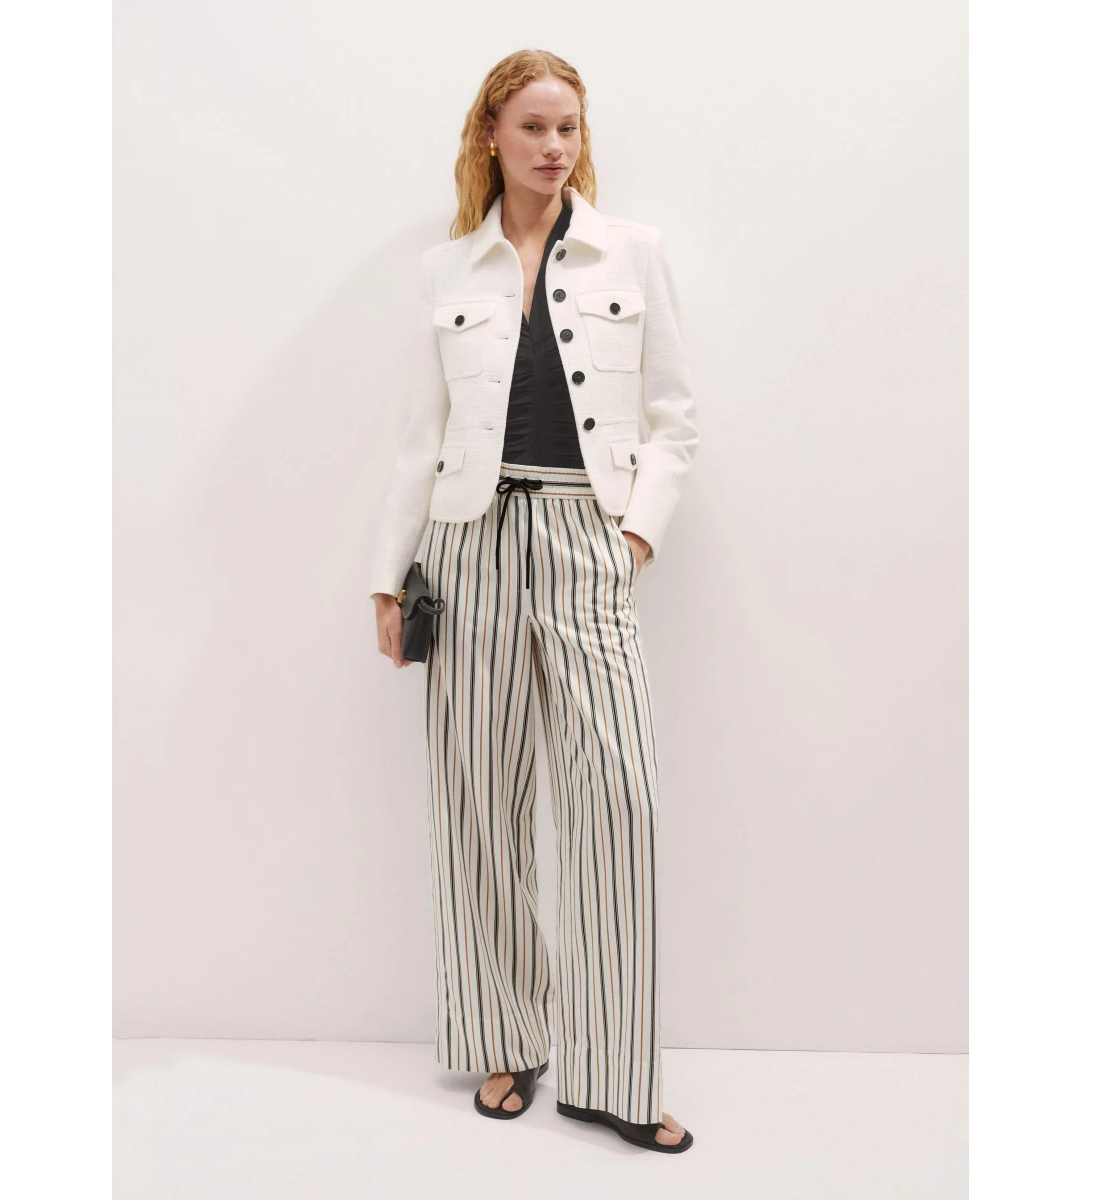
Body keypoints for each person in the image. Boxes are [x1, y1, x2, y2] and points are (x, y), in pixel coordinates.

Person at [368, 49, 698, 1153]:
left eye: (569, 128)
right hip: (466, 545)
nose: (555, 147)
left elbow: (675, 417)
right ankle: (507, 1037)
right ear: (492, 136)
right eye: (534, 128)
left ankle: (615, 1071)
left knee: (619, 797)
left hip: (584, 536)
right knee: (480, 802)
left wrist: (634, 535)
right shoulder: (447, 269)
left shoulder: (632, 252)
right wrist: (387, 576)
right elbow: (419, 438)